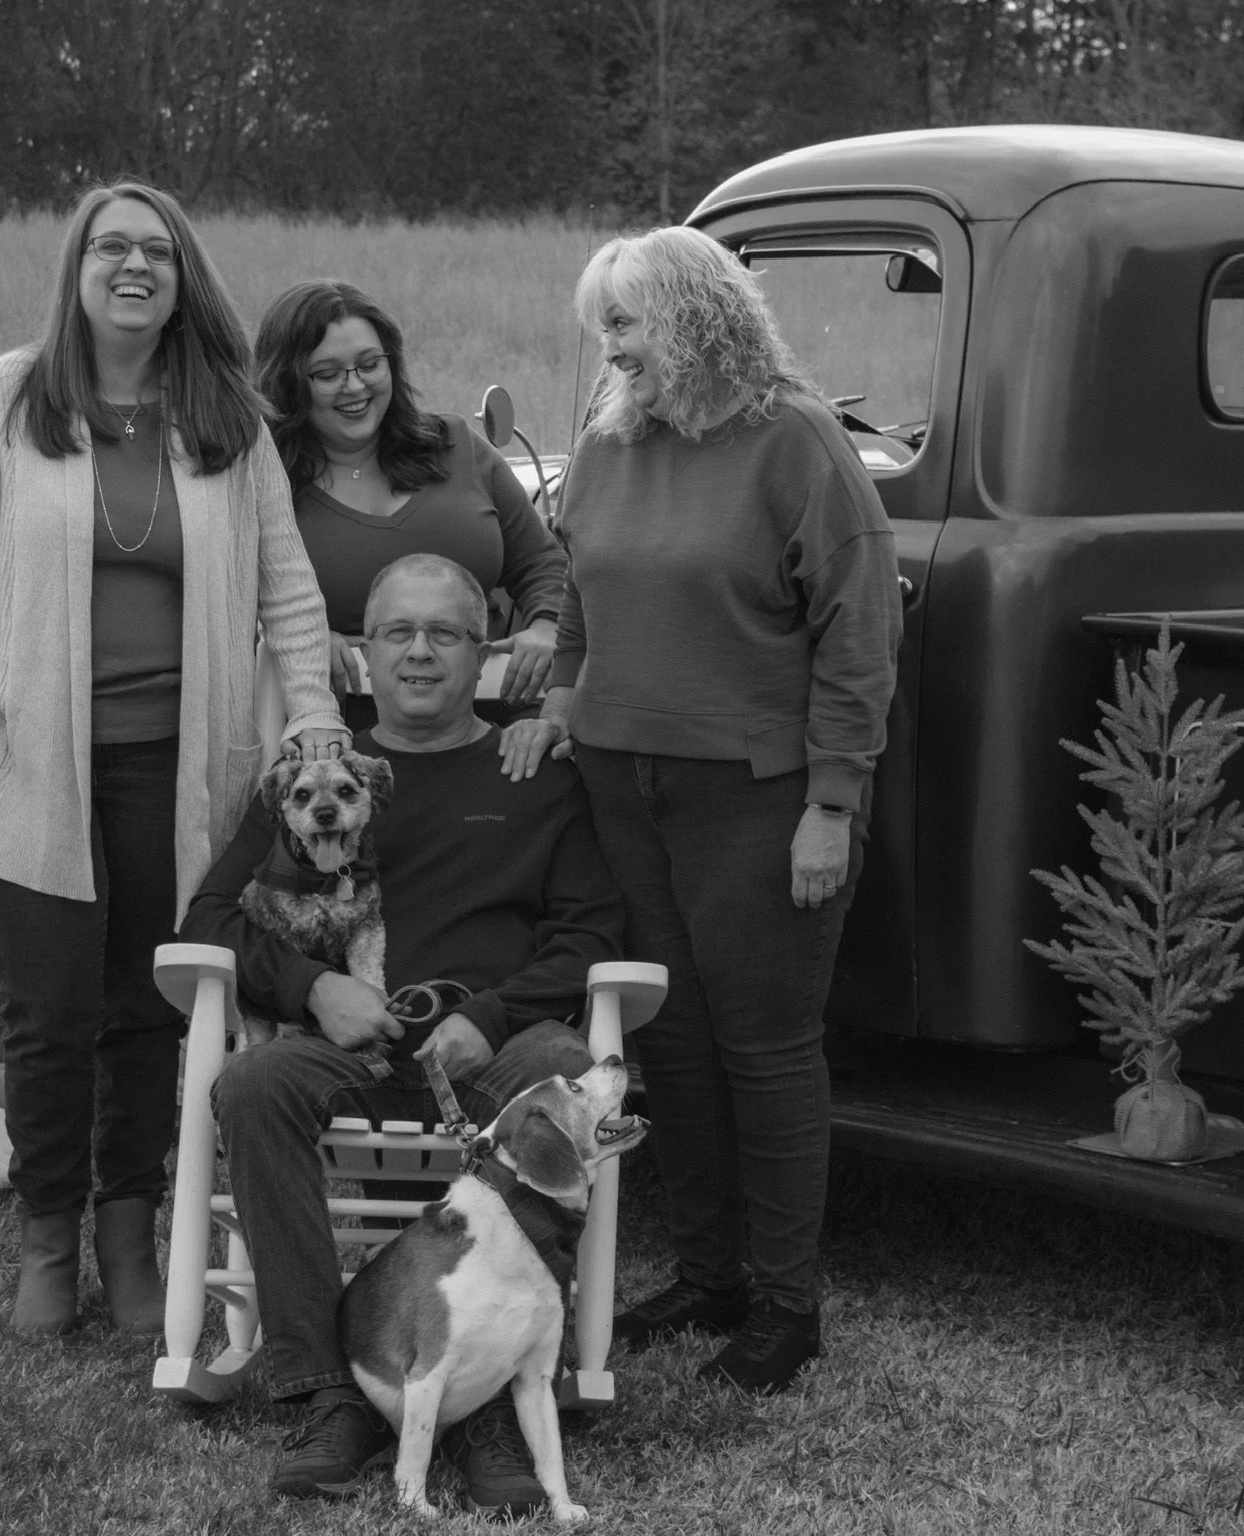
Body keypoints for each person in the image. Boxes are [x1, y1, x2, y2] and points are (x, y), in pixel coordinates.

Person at [0, 182, 347, 1339]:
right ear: (79, 268)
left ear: (182, 277)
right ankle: (48, 1238)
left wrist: (313, 718)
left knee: (154, 1005)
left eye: (157, 250)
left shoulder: (226, 422)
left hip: (181, 768)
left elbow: (290, 592)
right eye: (111, 247)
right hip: (26, 767)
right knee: (49, 1012)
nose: (134, 266)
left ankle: (129, 1232)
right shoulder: (0, 404)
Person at [502, 225, 903, 1395]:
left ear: (694, 319)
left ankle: (786, 1304)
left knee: (765, 1047)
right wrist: (564, 699)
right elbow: (583, 589)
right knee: (672, 1043)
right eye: (603, 330)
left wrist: (833, 803)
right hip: (623, 789)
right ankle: (709, 1274)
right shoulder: (610, 440)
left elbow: (860, 640)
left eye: (626, 326)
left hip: (758, 796)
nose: (611, 351)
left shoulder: (799, 445)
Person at [182, 553, 624, 1513]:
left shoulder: (534, 775)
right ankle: (328, 1390)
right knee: (254, 1085)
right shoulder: (312, 780)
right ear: (363, 652)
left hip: (490, 1047)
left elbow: (590, 934)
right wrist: (313, 989)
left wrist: (489, 1016)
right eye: (397, 632)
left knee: (557, 1066)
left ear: (484, 649)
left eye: (446, 633)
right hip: (343, 1044)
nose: (420, 653)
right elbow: (208, 919)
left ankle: (498, 1398)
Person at [254, 280, 567, 729]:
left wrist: (547, 626)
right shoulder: (262, 483)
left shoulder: (456, 444)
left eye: (370, 365)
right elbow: (231, 607)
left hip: (498, 723)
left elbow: (541, 563)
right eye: (327, 374)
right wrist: (298, 639)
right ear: (287, 383)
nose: (354, 386)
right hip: (341, 740)